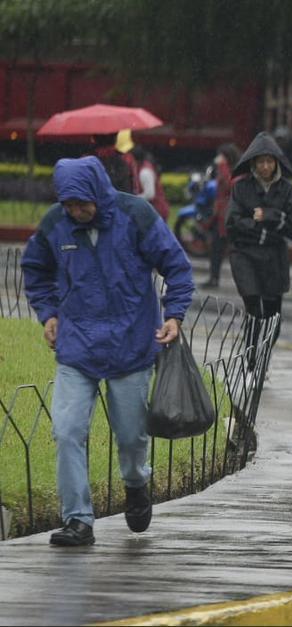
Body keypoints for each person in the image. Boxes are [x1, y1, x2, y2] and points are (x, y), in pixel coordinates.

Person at [20, 156, 194, 546]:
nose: (76, 212)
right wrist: (48, 313)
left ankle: (136, 484)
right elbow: (34, 267)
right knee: (66, 431)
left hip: (130, 344)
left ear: (98, 193)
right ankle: (78, 519)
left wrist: (174, 315)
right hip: (77, 345)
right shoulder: (56, 223)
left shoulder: (136, 215)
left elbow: (176, 266)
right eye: (68, 204)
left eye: (82, 204)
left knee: (131, 436)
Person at [226, 132, 292, 369]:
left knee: (272, 313)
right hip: (245, 254)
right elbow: (233, 222)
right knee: (252, 305)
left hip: (274, 258)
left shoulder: (288, 190)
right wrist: (260, 229)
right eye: (260, 161)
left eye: (270, 161)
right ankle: (249, 356)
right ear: (253, 163)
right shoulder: (241, 189)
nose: (265, 166)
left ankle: (263, 357)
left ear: (276, 163)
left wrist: (269, 216)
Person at [202, 143, 242, 288]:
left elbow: (227, 185)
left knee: (233, 250)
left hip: (229, 216)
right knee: (216, 248)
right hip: (220, 215)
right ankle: (214, 277)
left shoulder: (234, 172)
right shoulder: (223, 170)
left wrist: (223, 168)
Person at [131, 145, 171, 222]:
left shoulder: (145, 172)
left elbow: (150, 194)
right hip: (153, 211)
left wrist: (133, 199)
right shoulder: (143, 167)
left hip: (156, 211)